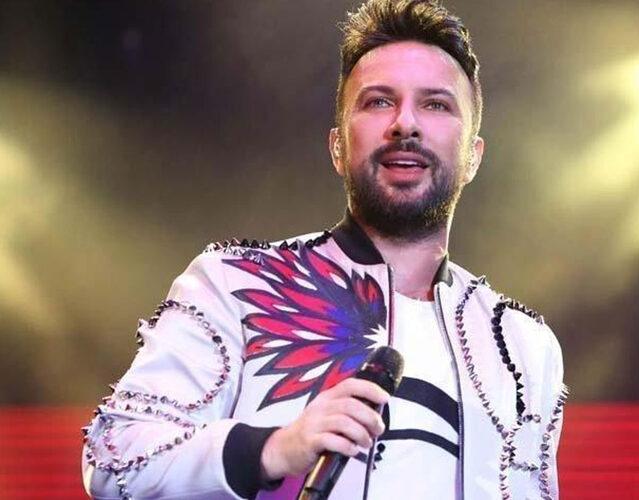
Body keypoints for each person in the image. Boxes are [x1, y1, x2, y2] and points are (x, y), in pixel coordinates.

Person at [82, 1, 567, 499]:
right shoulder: (233, 284)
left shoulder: (522, 345)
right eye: (379, 101)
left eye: (436, 105)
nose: (405, 123)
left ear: (473, 157)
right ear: (337, 147)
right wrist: (275, 449)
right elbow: (114, 457)